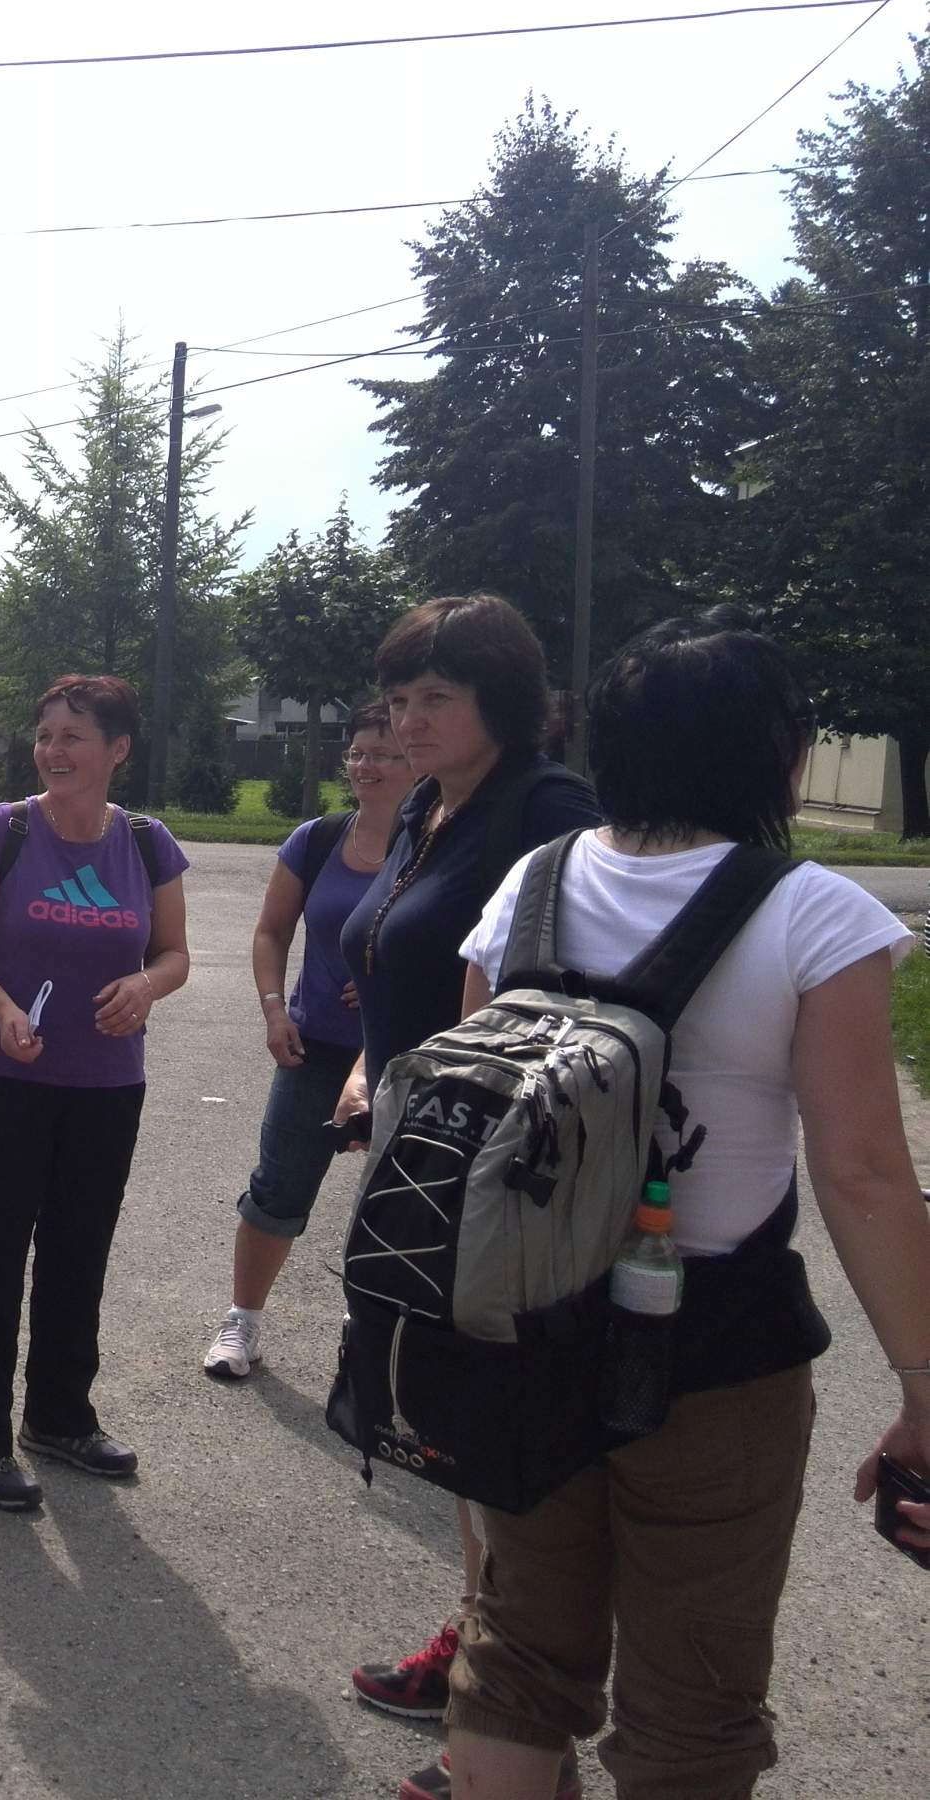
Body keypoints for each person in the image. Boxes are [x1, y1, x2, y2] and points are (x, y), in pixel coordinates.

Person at [441, 610, 930, 1800]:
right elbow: (862, 1171)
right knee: (692, 1707)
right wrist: (925, 1386)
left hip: (525, 1327)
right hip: (717, 1349)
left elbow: (473, 1107)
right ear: (776, 755)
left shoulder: (530, 886)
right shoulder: (810, 913)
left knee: (518, 1657)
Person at [321, 595, 602, 1794]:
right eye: (398, 699)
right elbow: (395, 963)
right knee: (454, 1426)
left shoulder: (548, 813)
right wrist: (364, 1071)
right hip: (421, 1152)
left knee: (499, 1431)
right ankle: (481, 1657)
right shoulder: (430, 806)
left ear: (506, 699)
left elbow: (560, 1010)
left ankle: (510, 1723)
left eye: (436, 697)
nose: (407, 721)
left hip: (498, 1177)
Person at [0, 674, 191, 1510]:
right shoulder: (2, 829)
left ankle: (59, 1416)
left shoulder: (147, 843)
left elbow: (174, 954)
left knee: (79, 1255)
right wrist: (2, 1007)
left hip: (106, 1085)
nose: (54, 750)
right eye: (46, 734)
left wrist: (147, 986)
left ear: (118, 750)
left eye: (74, 736)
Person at [203, 702, 414, 1379]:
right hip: (314, 1046)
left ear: (418, 763)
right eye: (357, 752)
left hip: (407, 1052)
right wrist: (274, 1009)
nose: (365, 765)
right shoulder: (318, 839)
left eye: (384, 753)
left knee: (404, 1202)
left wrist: (393, 978)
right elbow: (271, 932)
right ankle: (242, 1322)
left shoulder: (440, 845)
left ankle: (383, 1344)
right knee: (278, 1188)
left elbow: (466, 944)